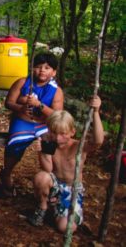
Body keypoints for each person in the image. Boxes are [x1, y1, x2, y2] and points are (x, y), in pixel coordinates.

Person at [28, 96, 104, 233]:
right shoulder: (49, 142)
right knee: (41, 177)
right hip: (55, 185)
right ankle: (43, 207)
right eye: (54, 133)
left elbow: (98, 142)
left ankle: (61, 210)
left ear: (72, 132)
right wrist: (43, 152)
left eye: (63, 134)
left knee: (65, 227)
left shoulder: (78, 146)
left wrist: (96, 112)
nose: (58, 138)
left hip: (72, 189)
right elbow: (48, 169)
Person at [1, 53, 64, 195]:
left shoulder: (56, 90)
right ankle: (6, 173)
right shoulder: (22, 82)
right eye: (38, 67)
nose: (42, 70)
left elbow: (57, 115)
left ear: (53, 72)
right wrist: (21, 107)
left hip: (43, 124)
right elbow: (9, 102)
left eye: (47, 68)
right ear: (31, 69)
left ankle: (51, 179)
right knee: (15, 145)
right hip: (23, 121)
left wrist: (39, 105)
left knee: (52, 143)